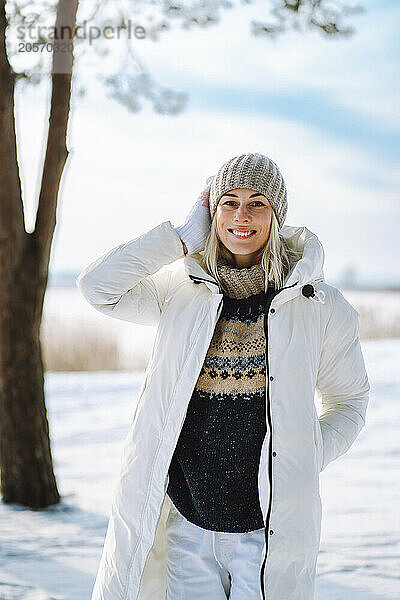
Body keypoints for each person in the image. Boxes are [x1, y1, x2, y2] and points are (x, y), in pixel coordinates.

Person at [77, 152, 370, 600]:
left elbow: (348, 404)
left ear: (278, 214)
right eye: (228, 202)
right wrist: (180, 238)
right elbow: (98, 287)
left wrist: (304, 456)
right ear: (212, 211)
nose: (241, 216)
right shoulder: (182, 290)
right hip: (187, 525)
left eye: (257, 203)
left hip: (267, 531)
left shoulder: (320, 307)